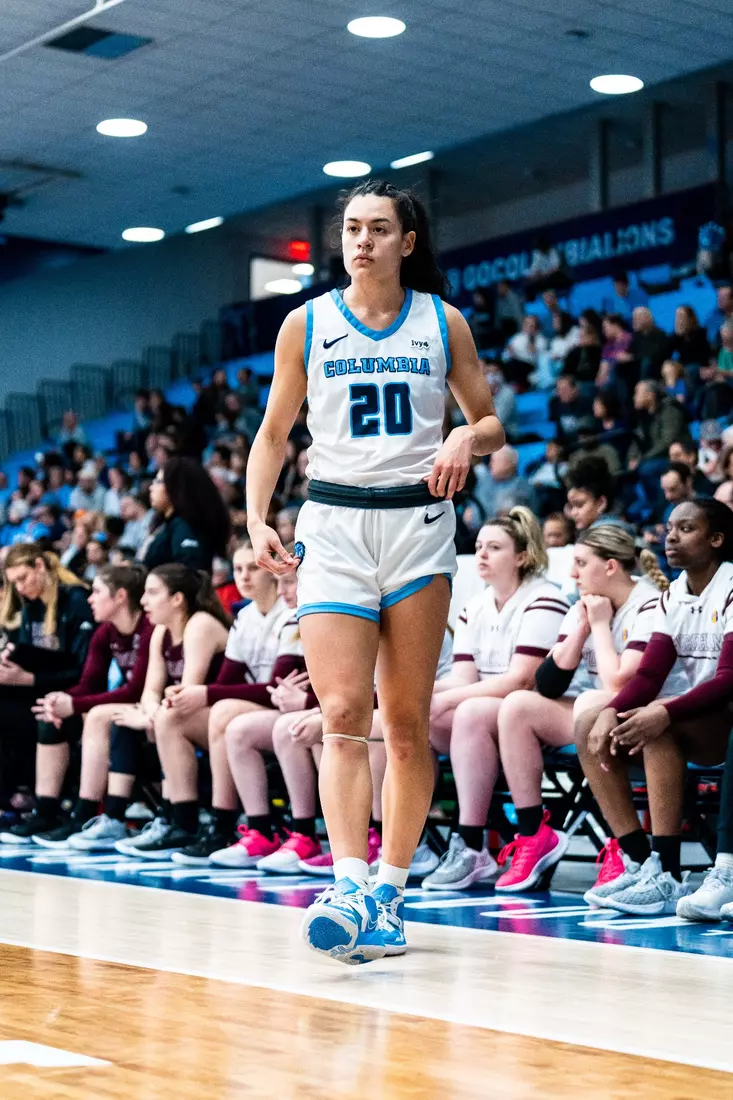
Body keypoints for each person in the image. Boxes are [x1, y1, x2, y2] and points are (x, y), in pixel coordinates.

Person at [244, 178, 503, 963]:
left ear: (407, 242)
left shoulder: (441, 321)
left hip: (419, 527)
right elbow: (272, 433)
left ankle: (389, 893)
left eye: (378, 228)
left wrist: (466, 439)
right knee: (343, 710)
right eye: (352, 228)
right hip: (333, 524)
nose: (361, 241)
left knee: (405, 719)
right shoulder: (307, 322)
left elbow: (490, 419)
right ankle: (348, 880)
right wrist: (256, 517)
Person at [575, 499, 733, 915]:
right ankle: (643, 863)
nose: (671, 537)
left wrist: (664, 711)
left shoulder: (731, 585)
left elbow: (729, 680)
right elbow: (649, 675)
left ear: (716, 539)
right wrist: (613, 711)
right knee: (590, 719)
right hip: (692, 717)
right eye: (668, 528)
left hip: (724, 720)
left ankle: (668, 868)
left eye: (686, 528)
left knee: (657, 721)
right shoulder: (674, 594)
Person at [494, 526, 667, 892]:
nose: (572, 574)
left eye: (580, 563)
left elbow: (619, 686)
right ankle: (533, 835)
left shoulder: (650, 604)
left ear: (610, 567)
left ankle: (625, 846)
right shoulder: (584, 603)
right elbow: (548, 684)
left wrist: (601, 627)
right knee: (517, 706)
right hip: (593, 714)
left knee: (590, 702)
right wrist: (582, 628)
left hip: (646, 713)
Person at [420, 509, 569, 890]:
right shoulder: (475, 606)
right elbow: (463, 677)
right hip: (492, 710)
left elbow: (521, 679)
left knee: (464, 709)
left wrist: (446, 699)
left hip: (545, 709)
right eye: (480, 546)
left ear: (522, 556)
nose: (482, 555)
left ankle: (472, 843)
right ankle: (413, 838)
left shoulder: (544, 598)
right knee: (420, 718)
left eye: (495, 547)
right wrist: (418, 696)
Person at [147, 542, 303, 865]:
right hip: (252, 707)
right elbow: (228, 681)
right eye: (238, 569)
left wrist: (204, 694)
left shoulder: (291, 610)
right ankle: (182, 820)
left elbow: (275, 686)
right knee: (170, 717)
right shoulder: (244, 616)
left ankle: (224, 823)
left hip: (283, 707)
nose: (244, 576)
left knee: (222, 710)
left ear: (273, 571)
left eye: (253, 568)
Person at [8, 564, 154, 849]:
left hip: (147, 706)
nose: (90, 598)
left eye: (97, 592)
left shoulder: (148, 628)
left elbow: (136, 689)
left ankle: (87, 814)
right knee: (51, 718)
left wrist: (73, 703)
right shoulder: (105, 633)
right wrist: (60, 701)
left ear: (120, 597)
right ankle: (46, 812)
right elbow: (89, 684)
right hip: (127, 706)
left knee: (97, 714)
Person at [98, 564, 229, 859]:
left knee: (168, 720)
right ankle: (165, 818)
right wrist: (148, 713)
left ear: (177, 599)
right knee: (135, 720)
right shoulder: (161, 631)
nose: (143, 600)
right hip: (197, 716)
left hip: (223, 714)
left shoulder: (200, 625)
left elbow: (187, 692)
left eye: (152, 592)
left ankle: (182, 821)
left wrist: (152, 716)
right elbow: (151, 690)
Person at [0, 543, 95, 822]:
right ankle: (12, 797)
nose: (19, 588)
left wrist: (30, 678)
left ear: (39, 566)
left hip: (72, 694)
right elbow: (30, 658)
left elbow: (84, 671)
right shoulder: (31, 607)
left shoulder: (76, 601)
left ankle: (34, 799)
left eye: (23, 578)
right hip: (39, 692)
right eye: (13, 582)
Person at [142, 456, 231, 574]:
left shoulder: (186, 527)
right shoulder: (170, 524)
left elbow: (189, 577)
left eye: (158, 482)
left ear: (177, 486)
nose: (151, 487)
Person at [564, 456, 616, 532]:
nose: (573, 513)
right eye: (571, 506)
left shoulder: (611, 535)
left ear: (600, 503)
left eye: (579, 505)